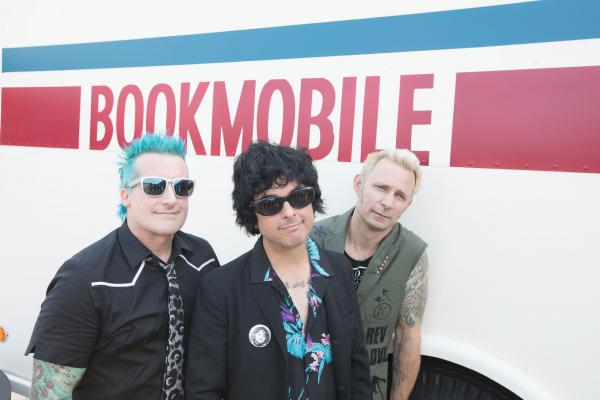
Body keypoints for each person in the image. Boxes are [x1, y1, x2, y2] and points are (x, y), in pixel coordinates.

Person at [25, 134, 219, 400]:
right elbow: (51, 394)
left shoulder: (202, 259)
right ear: (125, 196)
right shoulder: (83, 280)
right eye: (154, 186)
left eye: (182, 187)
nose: (171, 199)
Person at [186, 141, 371, 400]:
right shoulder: (221, 289)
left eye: (299, 197)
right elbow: (203, 389)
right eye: (271, 204)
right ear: (252, 215)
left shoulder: (339, 270)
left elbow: (357, 369)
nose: (289, 212)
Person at [311, 149, 428, 400]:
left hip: (369, 387)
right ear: (359, 184)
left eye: (400, 195)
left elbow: (408, 338)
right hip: (313, 382)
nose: (388, 202)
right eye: (381, 188)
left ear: (407, 204)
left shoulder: (412, 253)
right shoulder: (313, 239)